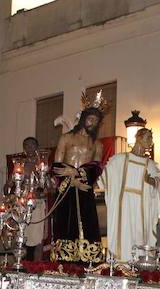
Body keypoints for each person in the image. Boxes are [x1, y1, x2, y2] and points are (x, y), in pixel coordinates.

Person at [51, 95, 106, 263]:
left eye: (96, 121)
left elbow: (96, 167)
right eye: (90, 119)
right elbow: (56, 166)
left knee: (87, 222)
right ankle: (65, 260)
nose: (92, 123)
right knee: (66, 223)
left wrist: (78, 174)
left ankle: (88, 260)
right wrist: (71, 180)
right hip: (66, 188)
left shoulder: (97, 144)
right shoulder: (66, 138)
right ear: (83, 119)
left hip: (85, 187)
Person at [98, 128, 160, 262]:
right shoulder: (120, 159)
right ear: (138, 137)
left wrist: (150, 180)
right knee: (123, 234)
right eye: (148, 137)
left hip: (142, 207)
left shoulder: (150, 164)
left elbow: (156, 183)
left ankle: (139, 262)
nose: (151, 141)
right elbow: (104, 178)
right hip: (123, 206)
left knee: (139, 235)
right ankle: (121, 263)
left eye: (151, 138)